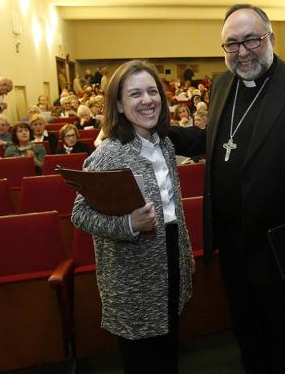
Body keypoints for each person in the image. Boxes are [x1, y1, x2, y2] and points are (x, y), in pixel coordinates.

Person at [169, 4, 285, 374]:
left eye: (251, 39)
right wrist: (157, 130)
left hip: (283, 244)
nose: (242, 51)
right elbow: (218, 141)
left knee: (284, 336)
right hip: (232, 242)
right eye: (231, 43)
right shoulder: (220, 85)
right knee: (246, 330)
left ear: (271, 39)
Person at [71, 60, 193, 374]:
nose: (147, 100)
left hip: (170, 259)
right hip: (132, 275)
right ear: (120, 105)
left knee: (168, 352)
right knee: (142, 361)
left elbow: (173, 206)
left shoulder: (164, 144)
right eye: (135, 94)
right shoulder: (109, 153)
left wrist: (186, 252)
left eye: (152, 91)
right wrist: (128, 224)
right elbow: (80, 214)